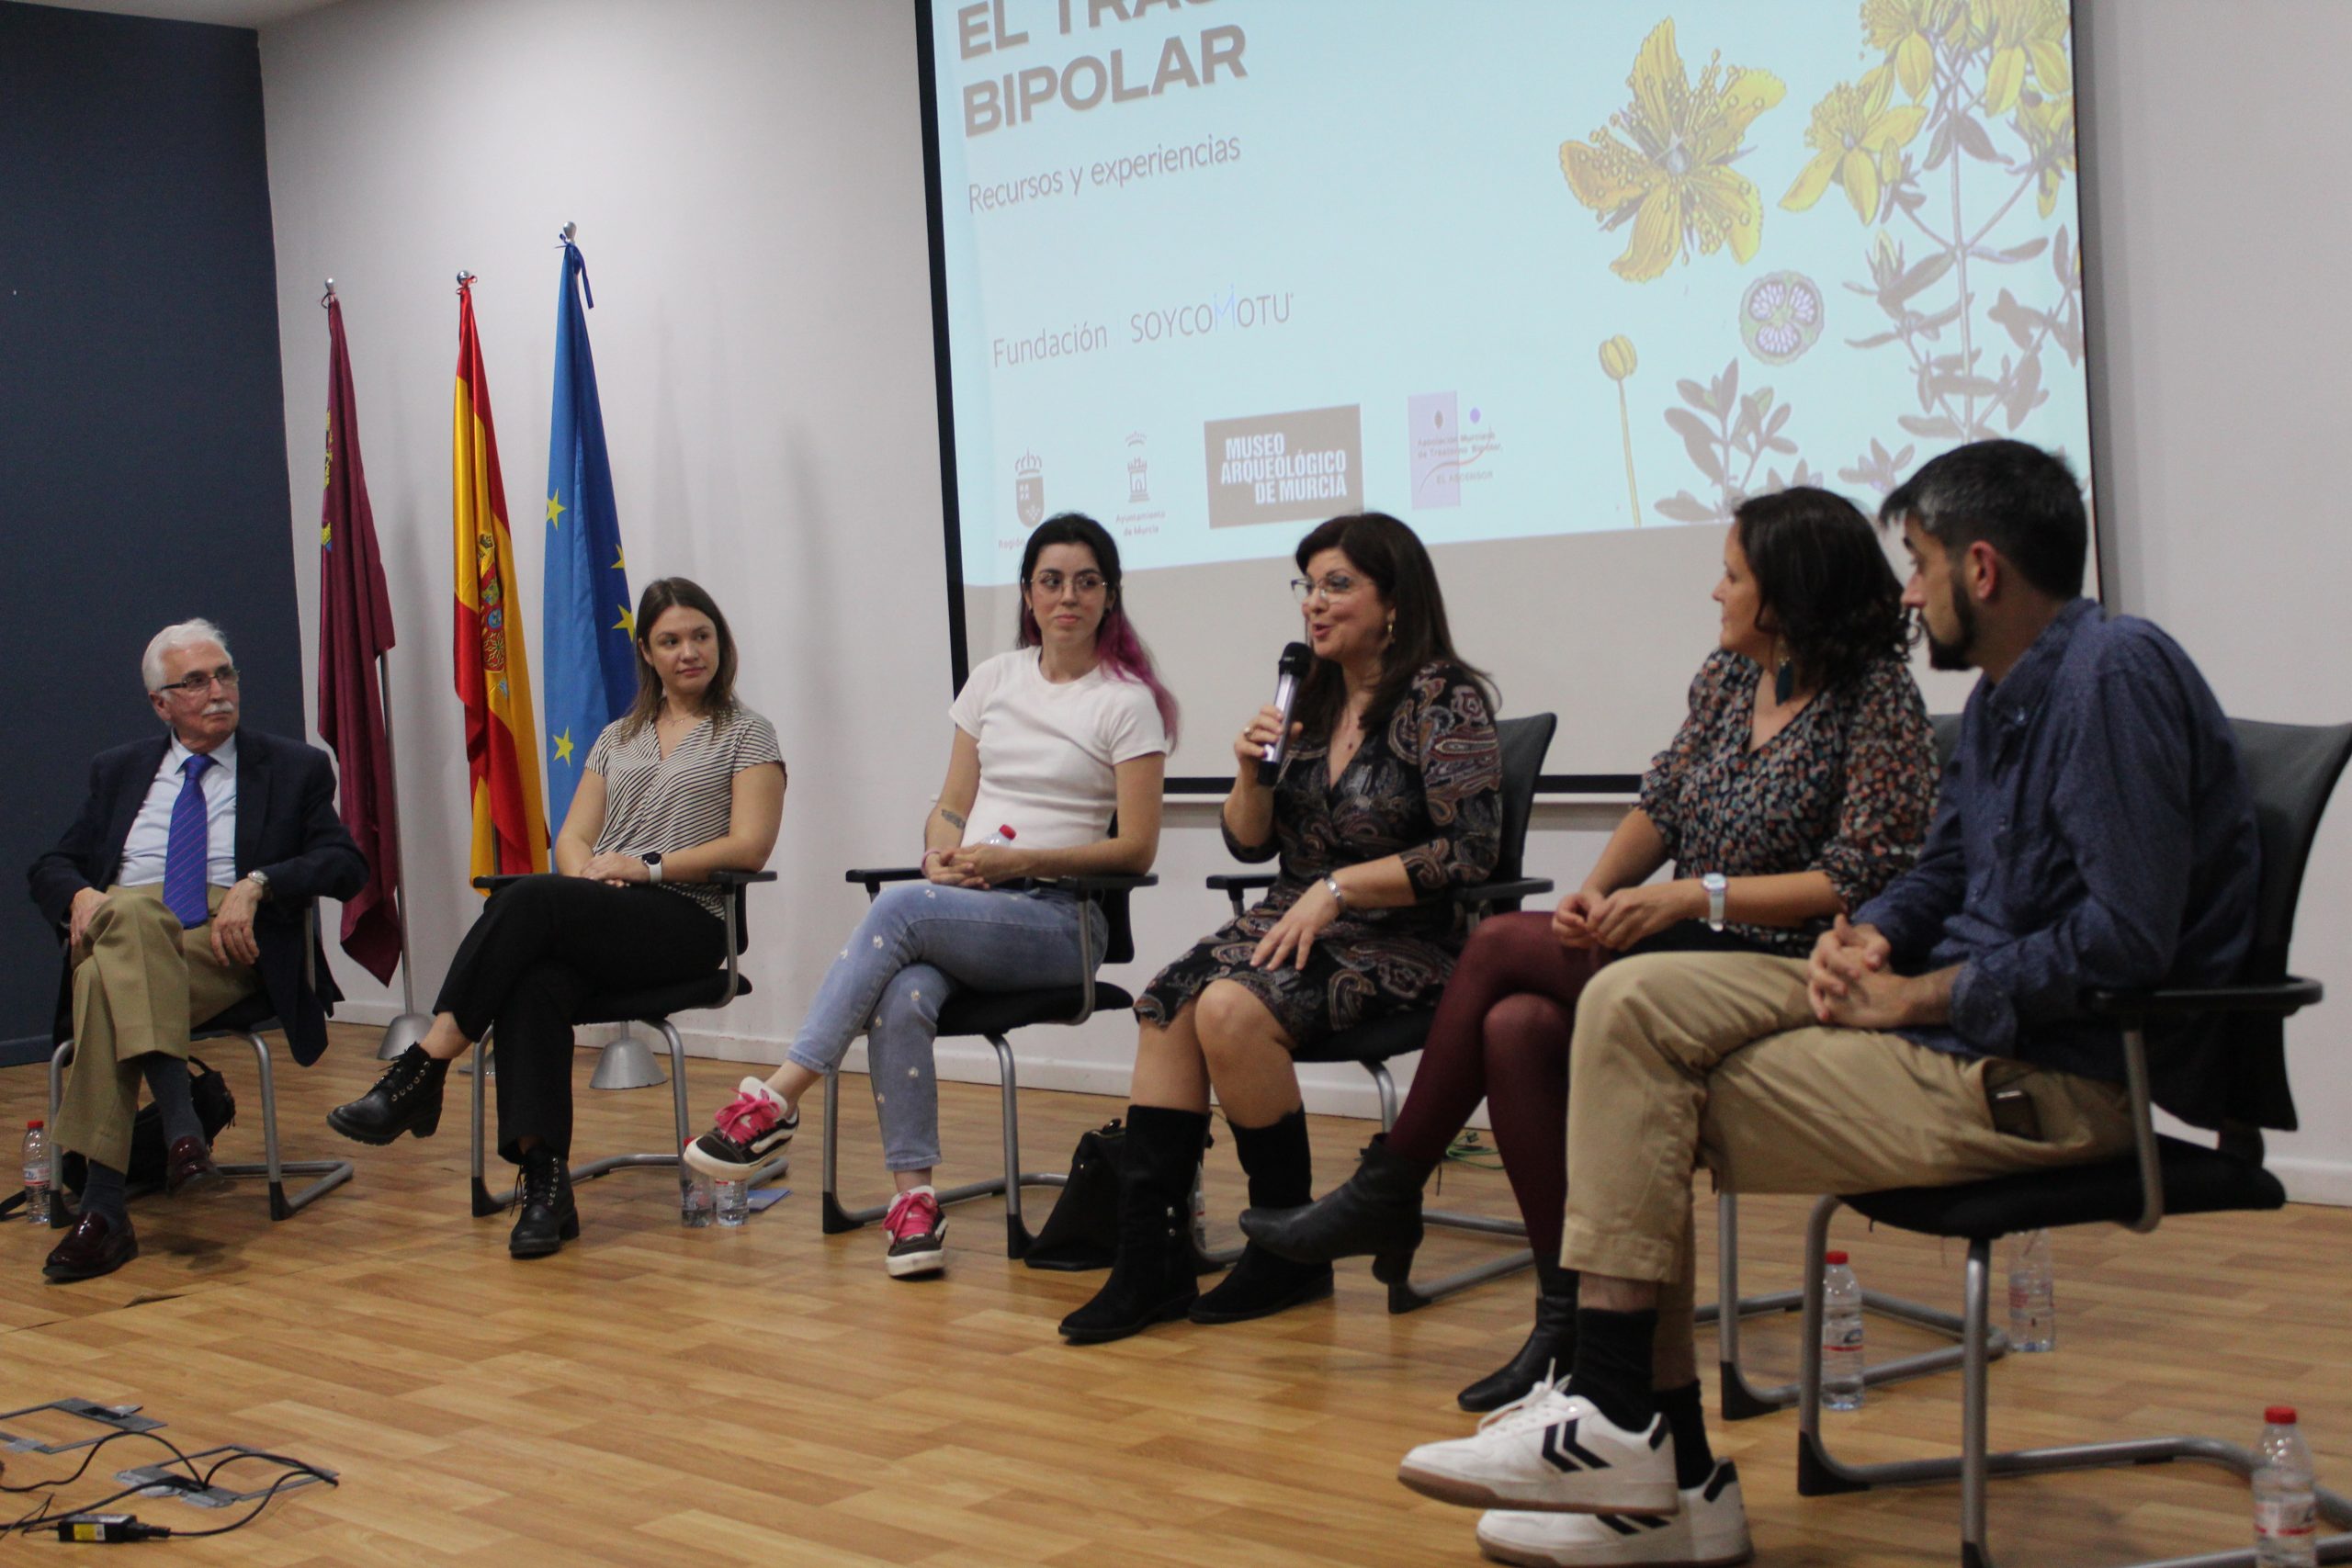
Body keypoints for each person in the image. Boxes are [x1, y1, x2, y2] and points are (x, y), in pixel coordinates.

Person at [1393, 440, 2259, 1566]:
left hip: (2057, 1084)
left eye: (1921, 562)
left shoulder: (2114, 679)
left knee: (1627, 1065)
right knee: (1625, 1051)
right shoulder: (2006, 701)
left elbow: (2121, 941)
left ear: (1981, 569)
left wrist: (1915, 998)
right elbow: (1940, 868)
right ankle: (1657, 1468)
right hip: (1963, 1048)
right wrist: (1874, 935)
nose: (1908, 591)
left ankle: (1637, 1440)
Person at [1241, 485, 1938, 1470]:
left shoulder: (1875, 701)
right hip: (1688, 940)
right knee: (1513, 1026)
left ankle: (1390, 1184)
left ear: (1785, 591)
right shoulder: (1728, 679)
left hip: (1792, 961)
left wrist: (1696, 897)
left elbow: (1861, 878)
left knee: (1491, 951)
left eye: (1732, 575)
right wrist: (1597, 891)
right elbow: (1660, 803)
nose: (1714, 592)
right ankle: (1562, 1321)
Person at [679, 513, 1173, 1279]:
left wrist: (1018, 862)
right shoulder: (993, 681)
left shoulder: (1127, 701)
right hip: (974, 904)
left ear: (1110, 597)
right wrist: (940, 850)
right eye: (1051, 580)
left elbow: (1137, 847)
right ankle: (915, 1202)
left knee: (901, 909)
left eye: (1086, 581)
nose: (1067, 596)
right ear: (1027, 593)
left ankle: (779, 1099)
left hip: (1062, 921)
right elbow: (949, 802)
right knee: (903, 990)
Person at [1060, 511, 1504, 1344]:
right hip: (1298, 918)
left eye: (1338, 585)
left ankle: (1287, 1245)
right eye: (1308, 586)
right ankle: (1148, 1256)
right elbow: (1249, 839)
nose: (1315, 604)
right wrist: (1248, 772)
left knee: (1229, 1008)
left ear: (1396, 602)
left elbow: (1470, 852)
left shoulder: (1443, 698)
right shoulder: (1310, 696)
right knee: (1164, 1000)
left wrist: (1338, 887)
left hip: (1407, 936)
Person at [327, 578, 785, 1259]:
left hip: (688, 922)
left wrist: (645, 866)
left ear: (721, 641)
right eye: (671, 640)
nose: (689, 651)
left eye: (701, 636)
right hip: (607, 916)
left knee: (529, 901)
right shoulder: (616, 736)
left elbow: (750, 844)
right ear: (647, 653)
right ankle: (545, 1185)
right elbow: (572, 838)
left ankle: (423, 1069)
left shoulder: (747, 732)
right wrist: (590, 881)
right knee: (532, 976)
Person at [28, 618, 368, 1282]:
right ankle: (178, 1131)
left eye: (225, 674)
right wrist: (75, 897)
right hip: (124, 925)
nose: (218, 691)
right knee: (127, 914)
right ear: (161, 702)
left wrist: (260, 883)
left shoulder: (292, 766)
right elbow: (52, 863)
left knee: (103, 979)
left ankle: (105, 1205)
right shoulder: (119, 769)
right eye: (196, 681)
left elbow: (343, 862)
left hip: (222, 943)